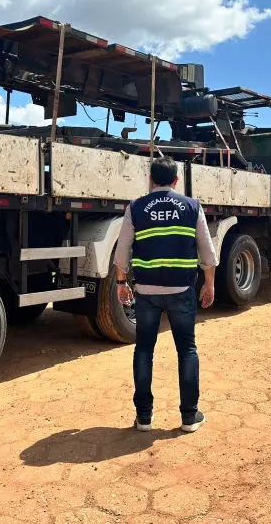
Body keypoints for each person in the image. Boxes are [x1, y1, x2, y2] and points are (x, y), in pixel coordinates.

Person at [114, 156, 218, 433]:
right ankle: (189, 417)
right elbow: (207, 252)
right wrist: (209, 284)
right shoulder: (192, 206)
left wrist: (120, 283)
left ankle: (144, 418)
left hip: (146, 291)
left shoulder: (136, 207)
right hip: (182, 289)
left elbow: (122, 250)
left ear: (150, 179)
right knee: (186, 350)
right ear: (175, 181)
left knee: (144, 349)